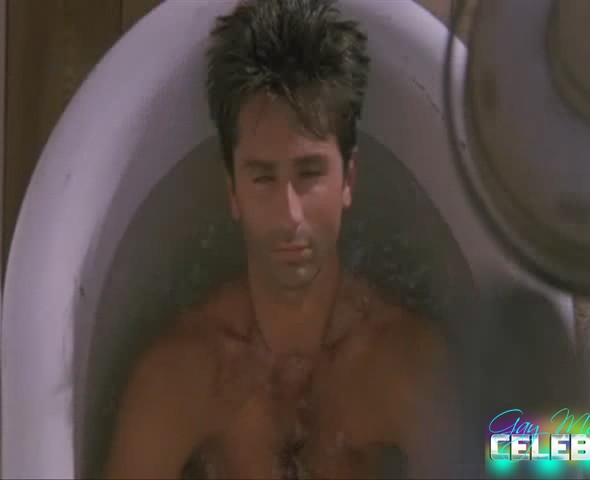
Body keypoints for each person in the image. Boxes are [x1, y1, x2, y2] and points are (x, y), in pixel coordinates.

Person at [104, 0, 460, 478]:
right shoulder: (181, 374)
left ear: (348, 180)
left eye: (309, 173)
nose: (289, 214)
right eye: (263, 178)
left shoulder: (400, 363)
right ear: (232, 191)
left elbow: (515, 451)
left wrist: (566, 431)